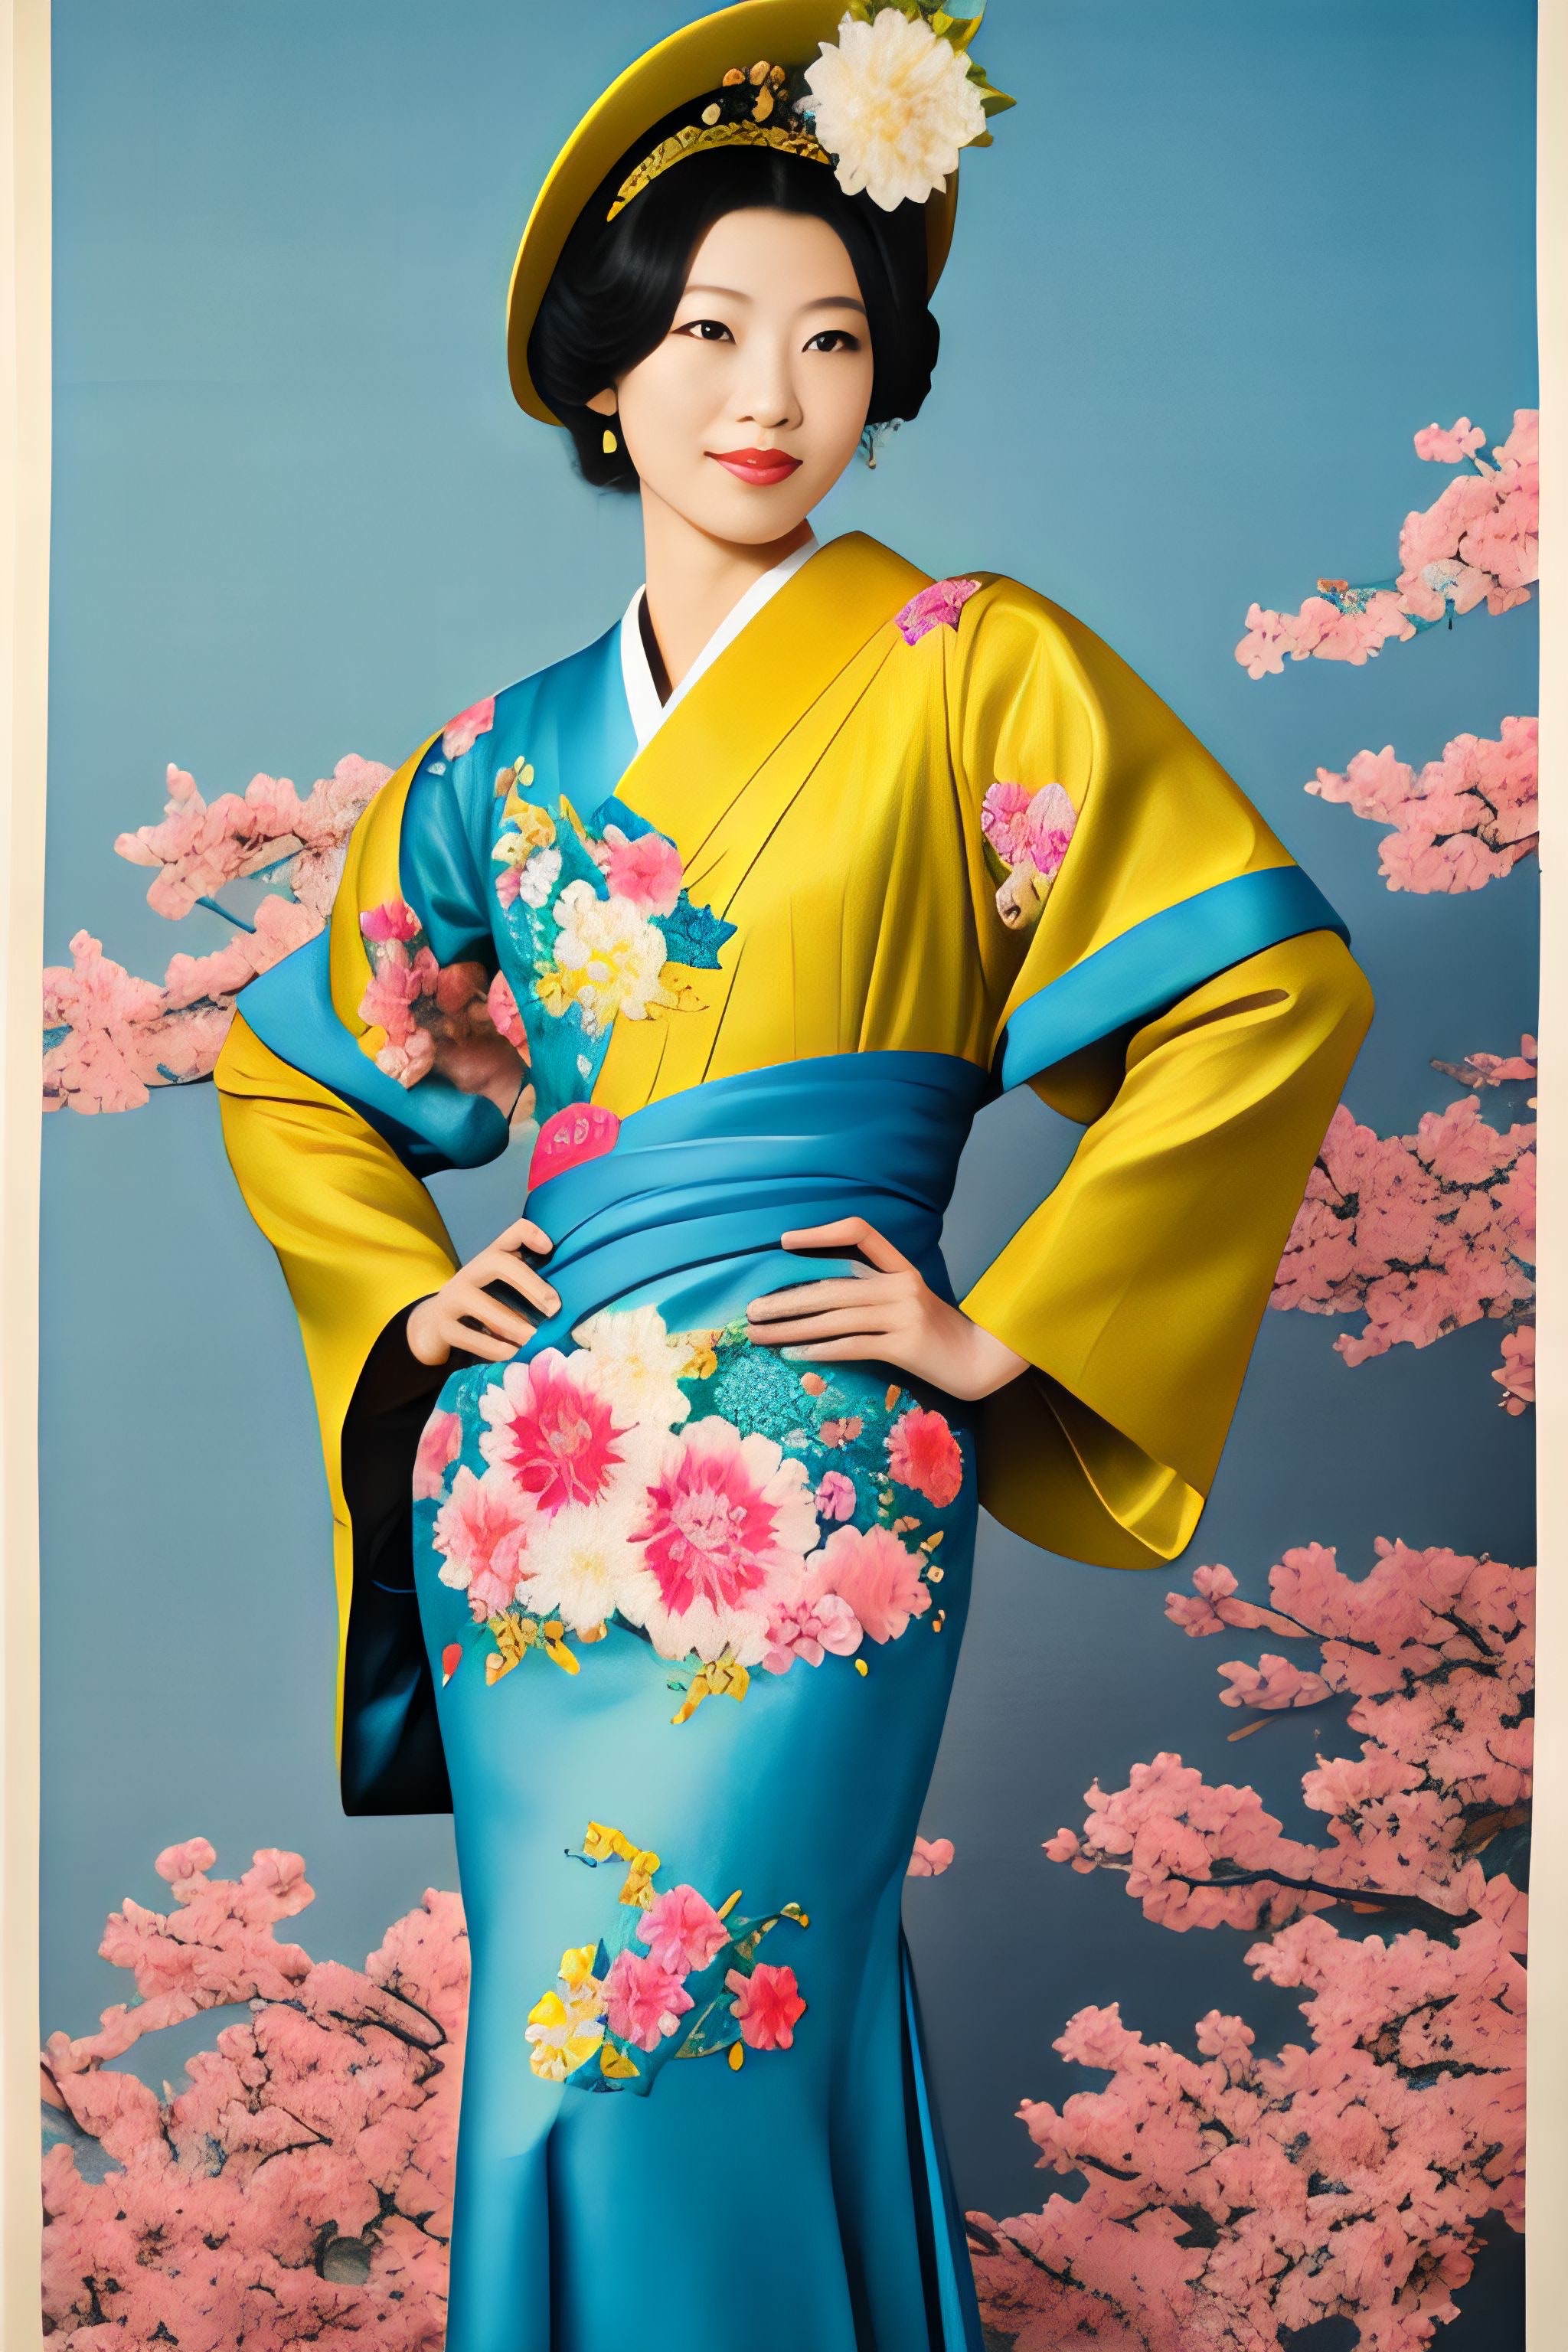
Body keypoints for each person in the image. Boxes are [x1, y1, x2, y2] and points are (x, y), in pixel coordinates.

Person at [214, 5, 1373, 2346]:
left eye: (831, 339)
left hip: (823, 1469)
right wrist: (402, 1312)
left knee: (689, 2034)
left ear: (883, 379)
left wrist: (1005, 1325)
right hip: (531, 1491)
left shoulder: (979, 669)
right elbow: (298, 1071)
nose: (771, 393)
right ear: (608, 380)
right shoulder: (494, 762)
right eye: (714, 332)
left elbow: (1271, 988)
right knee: (594, 2057)